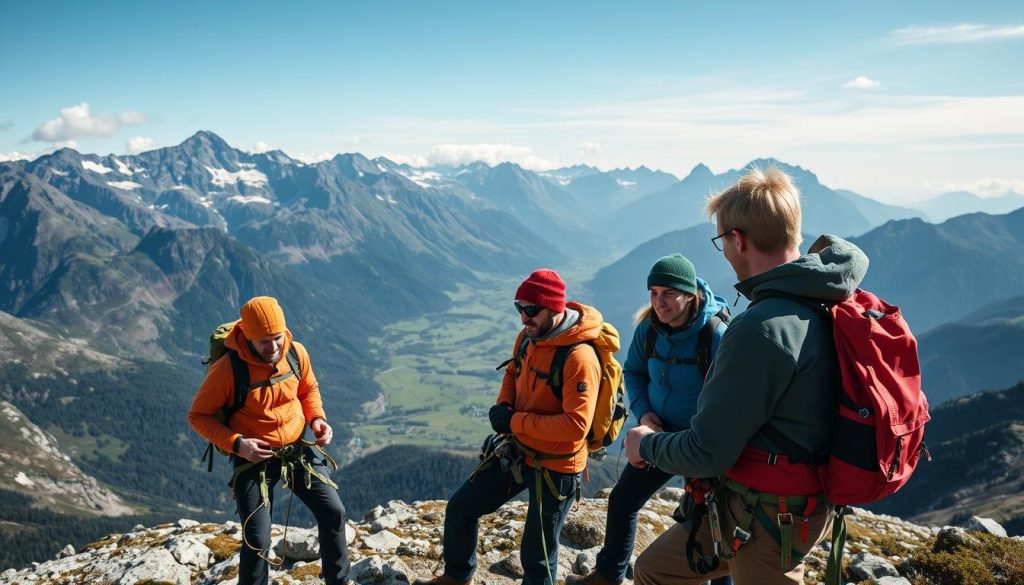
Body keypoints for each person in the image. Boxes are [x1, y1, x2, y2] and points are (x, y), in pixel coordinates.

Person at [624, 166, 869, 585]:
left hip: (767, 513)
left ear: (737, 240)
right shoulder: (825, 298)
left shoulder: (760, 328)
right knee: (654, 569)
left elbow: (707, 451)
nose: (724, 251)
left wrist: (646, 447)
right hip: (789, 498)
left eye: (721, 241)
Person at [413, 269, 601, 585]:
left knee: (536, 555)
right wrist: (504, 405)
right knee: (461, 508)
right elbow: (513, 372)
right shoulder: (528, 338)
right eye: (519, 308)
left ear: (554, 308)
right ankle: (456, 577)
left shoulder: (580, 358)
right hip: (519, 451)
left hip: (557, 467)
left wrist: (513, 421)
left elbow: (576, 426)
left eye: (531, 310)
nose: (523, 318)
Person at [566, 254, 731, 585]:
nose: (659, 302)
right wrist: (644, 413)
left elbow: (731, 397)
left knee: (710, 523)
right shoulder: (649, 330)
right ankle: (608, 576)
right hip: (658, 435)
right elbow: (634, 371)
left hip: (701, 441)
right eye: (654, 293)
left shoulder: (715, 335)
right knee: (624, 500)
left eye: (668, 293)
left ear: (689, 294)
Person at [188, 296, 350, 585]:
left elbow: (308, 389)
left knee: (333, 511)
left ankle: (338, 580)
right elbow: (199, 416)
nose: (273, 347)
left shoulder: (296, 353)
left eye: (277, 338)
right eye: (264, 341)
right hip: (253, 455)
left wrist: (318, 419)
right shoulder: (228, 368)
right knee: (257, 539)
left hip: (297, 448)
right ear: (248, 337)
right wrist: (238, 444)